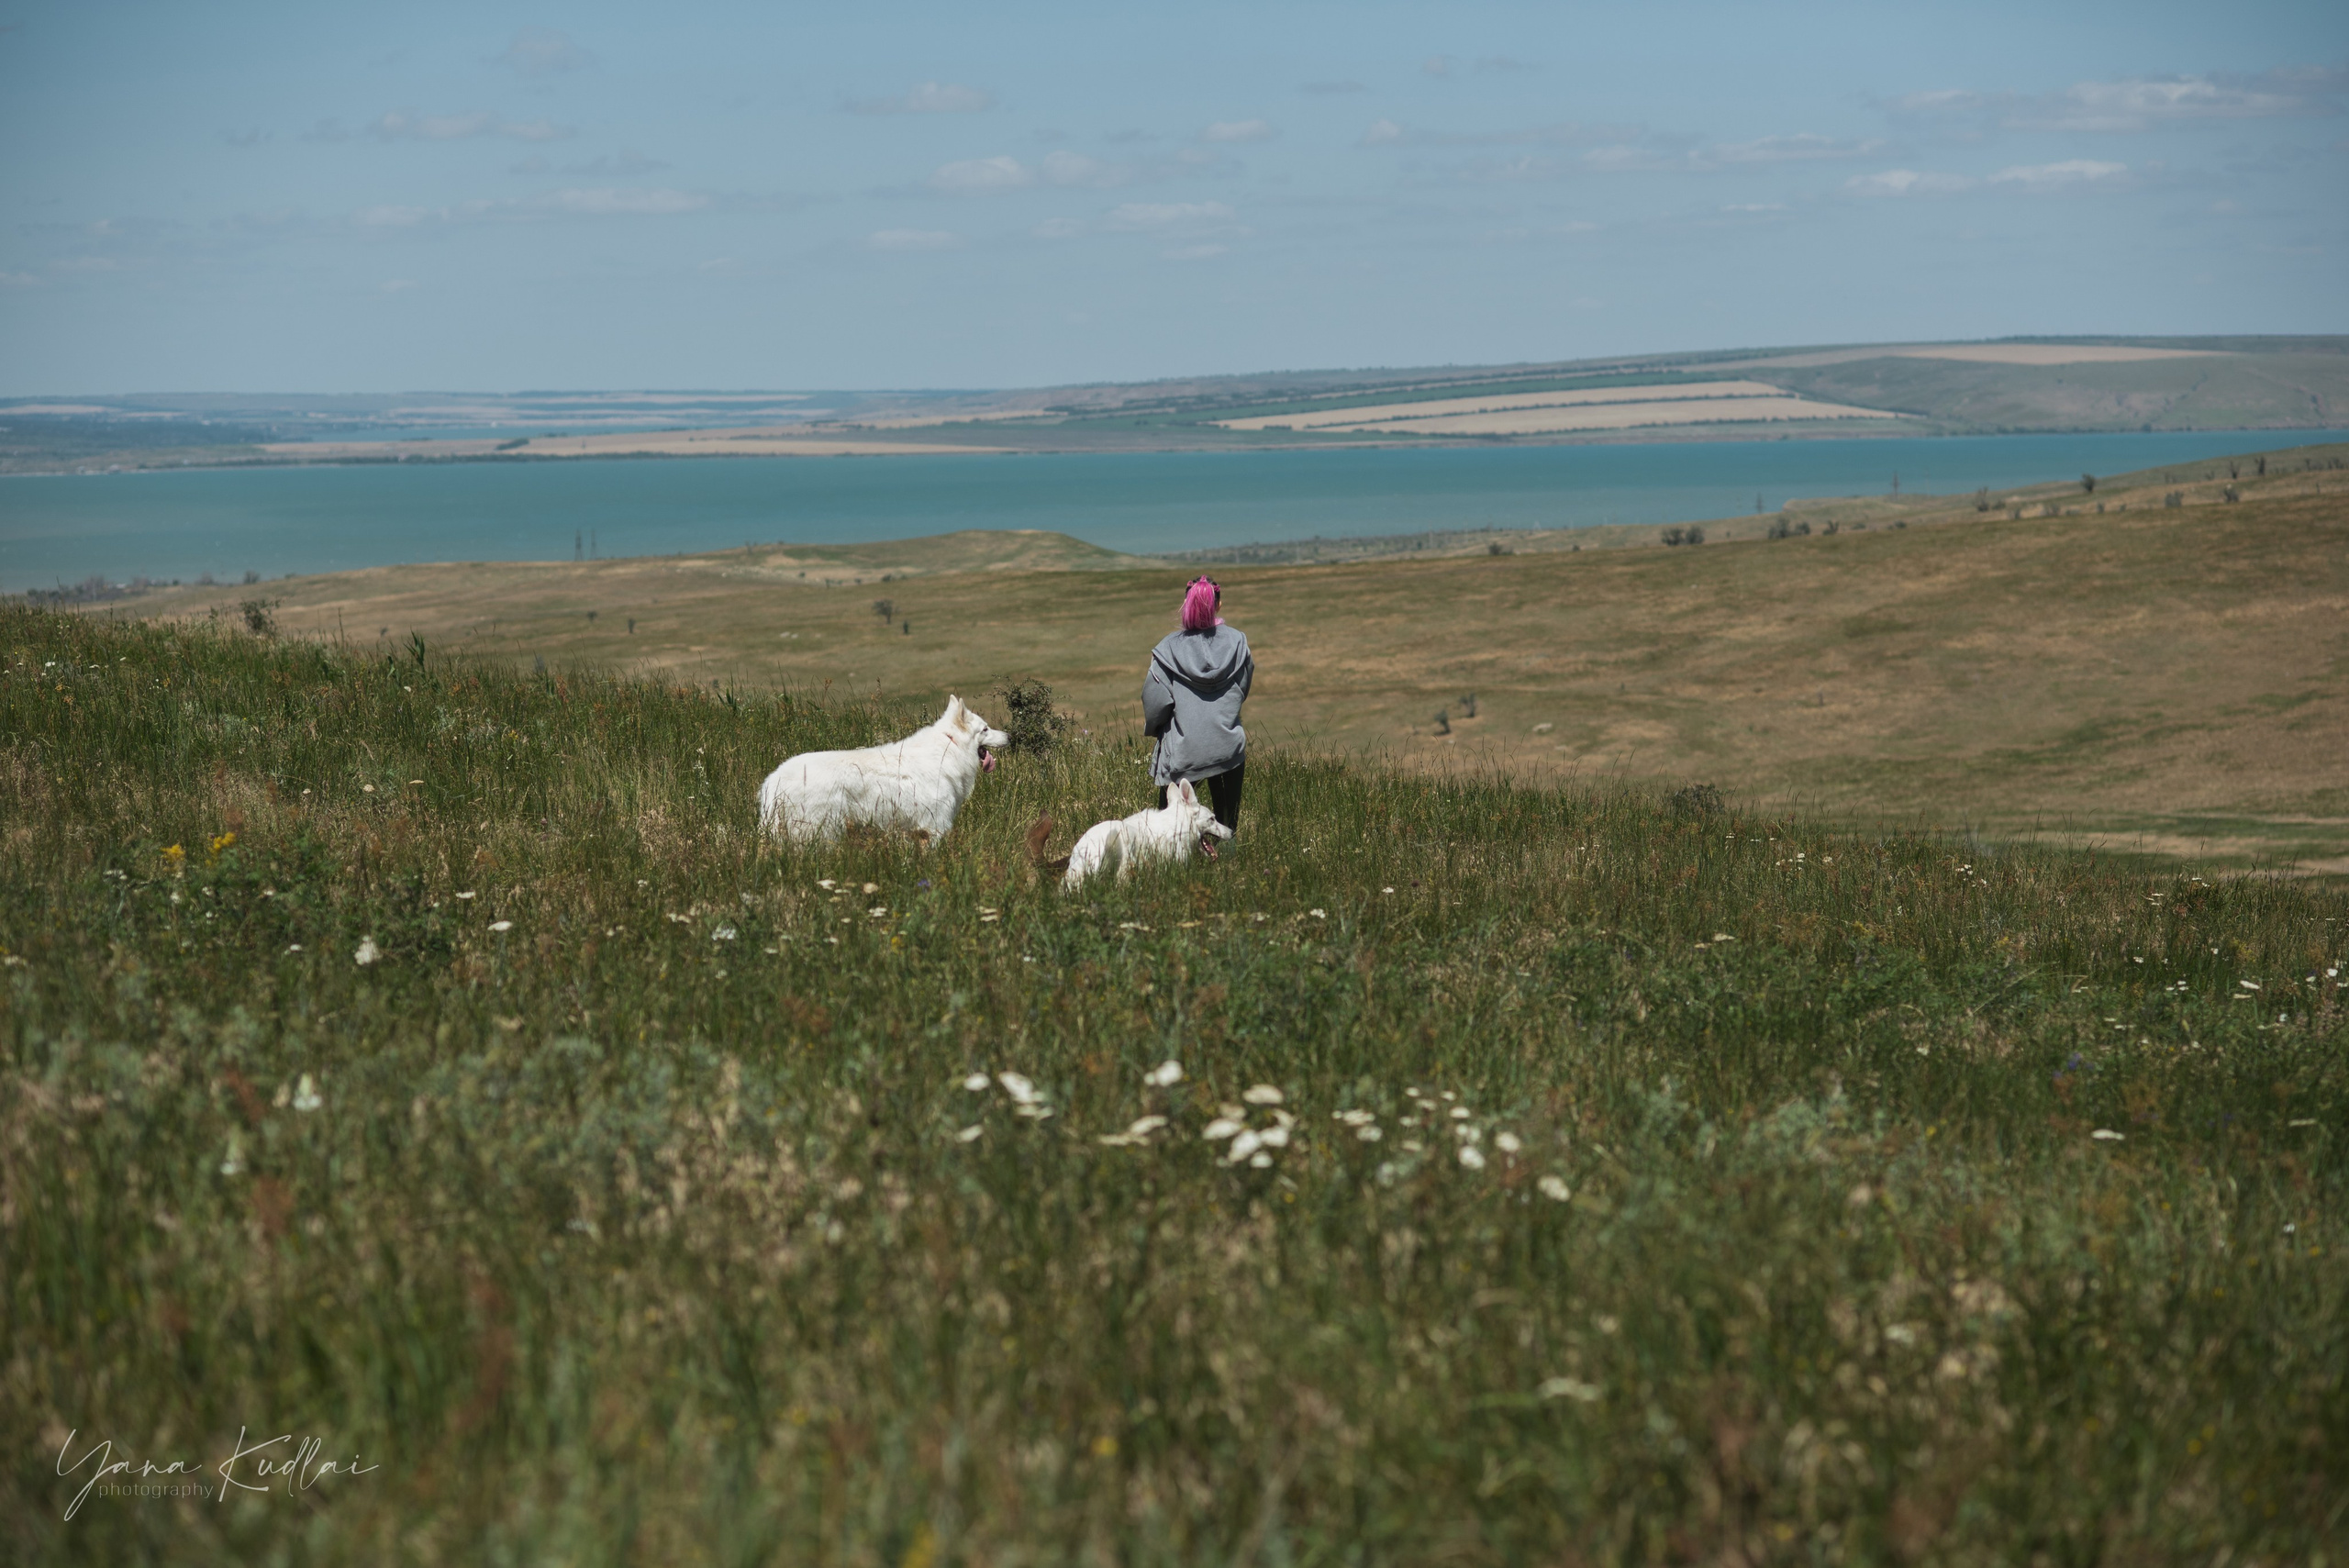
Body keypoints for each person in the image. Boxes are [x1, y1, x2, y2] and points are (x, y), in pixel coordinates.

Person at [1142, 575, 1252, 845]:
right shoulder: (1239, 642)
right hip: (1228, 748)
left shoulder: (1167, 649)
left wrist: (1157, 729)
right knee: (1227, 826)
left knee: (1168, 824)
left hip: (1184, 752)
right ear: (1218, 604)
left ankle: (1169, 861)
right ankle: (1228, 861)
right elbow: (1242, 689)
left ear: (1186, 604)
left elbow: (1155, 703)